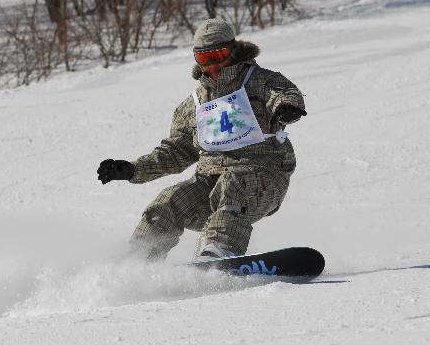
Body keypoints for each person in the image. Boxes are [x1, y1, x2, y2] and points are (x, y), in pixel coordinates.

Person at [97, 18, 306, 260]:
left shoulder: (260, 81)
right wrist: (134, 169)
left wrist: (287, 106)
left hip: (262, 178)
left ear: (234, 51)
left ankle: (220, 250)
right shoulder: (194, 104)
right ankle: (138, 260)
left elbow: (284, 93)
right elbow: (176, 151)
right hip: (210, 183)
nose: (212, 65)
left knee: (232, 183)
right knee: (169, 200)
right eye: (205, 58)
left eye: (219, 55)